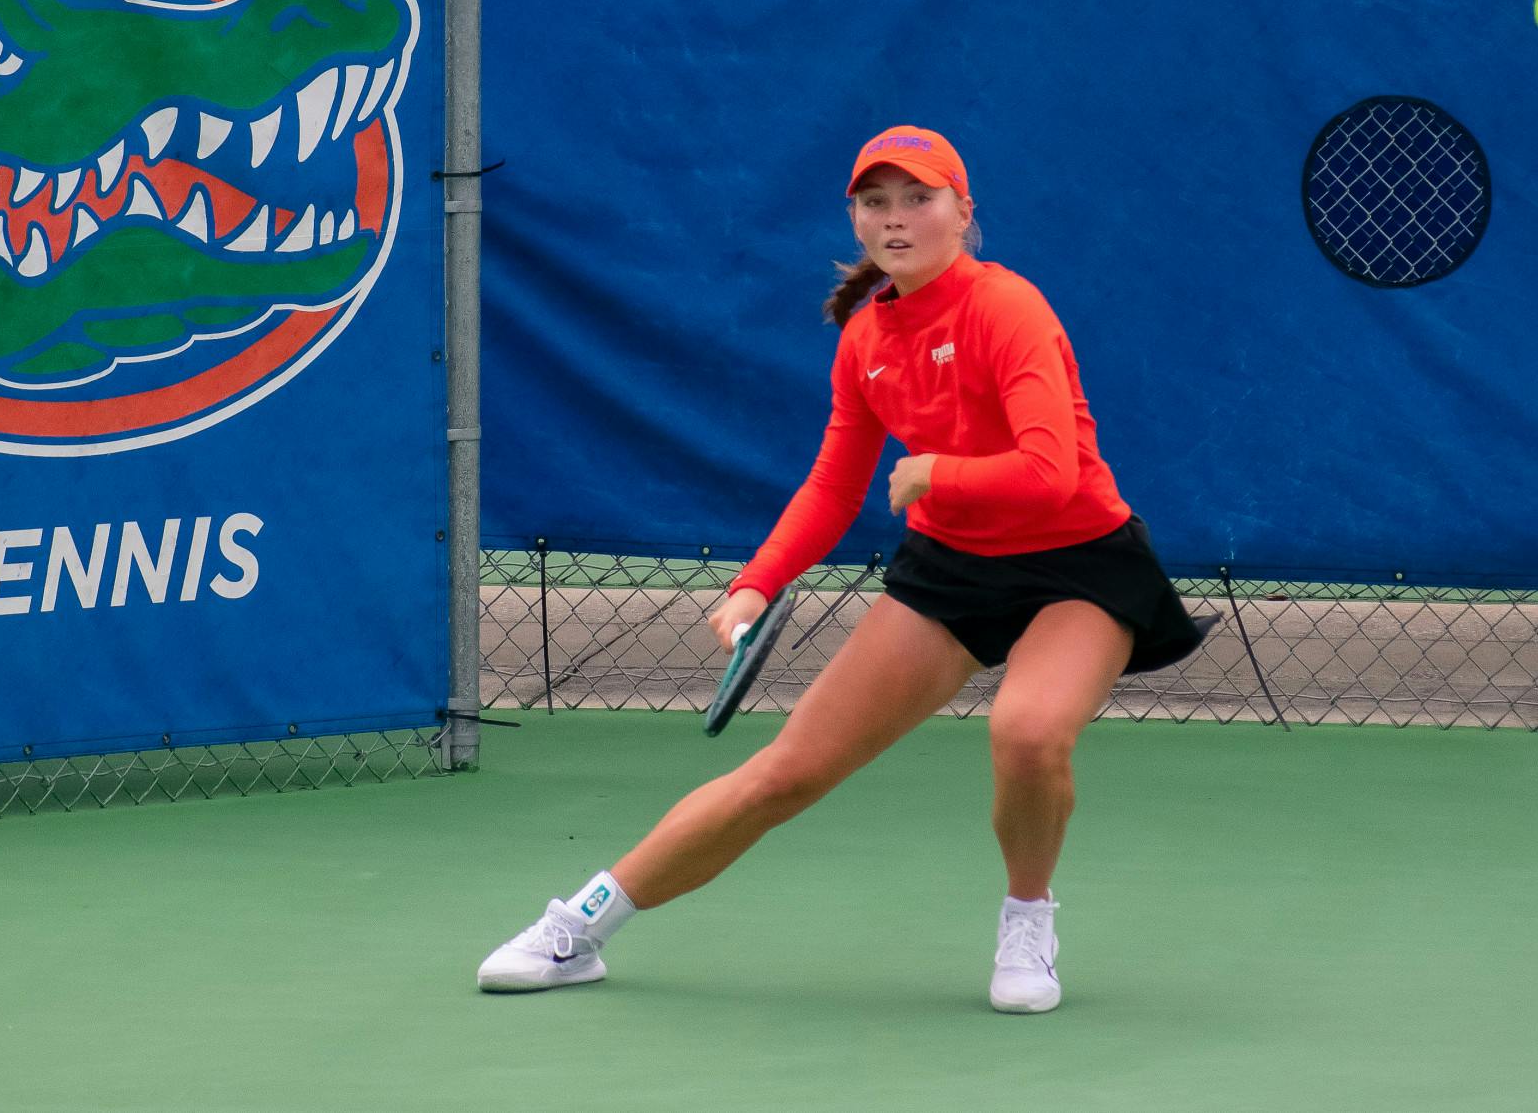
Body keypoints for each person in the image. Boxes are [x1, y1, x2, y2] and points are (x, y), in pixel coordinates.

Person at [477, 125, 1213, 1012]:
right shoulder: (866, 339)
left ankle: (1028, 920)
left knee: (1026, 733)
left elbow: (1049, 471)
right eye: (876, 202)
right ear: (856, 221)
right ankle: (580, 928)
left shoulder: (1007, 309)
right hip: (951, 570)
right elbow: (831, 487)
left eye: (918, 199)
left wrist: (935, 472)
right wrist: (756, 581)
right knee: (787, 771)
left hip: (1080, 564)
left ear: (962, 213)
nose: (896, 219)